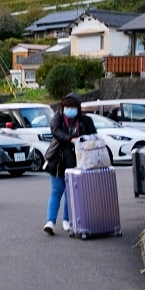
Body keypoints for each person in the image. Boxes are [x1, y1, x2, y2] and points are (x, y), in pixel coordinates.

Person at [43, 92, 96, 235]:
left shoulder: (85, 120)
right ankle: (50, 222)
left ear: (78, 108)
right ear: (62, 107)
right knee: (56, 191)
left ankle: (67, 220)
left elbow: (94, 135)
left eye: (72, 107)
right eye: (66, 107)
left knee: (70, 192)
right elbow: (56, 131)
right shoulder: (58, 118)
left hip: (78, 160)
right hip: (58, 161)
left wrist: (86, 139)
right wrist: (72, 139)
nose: (69, 110)